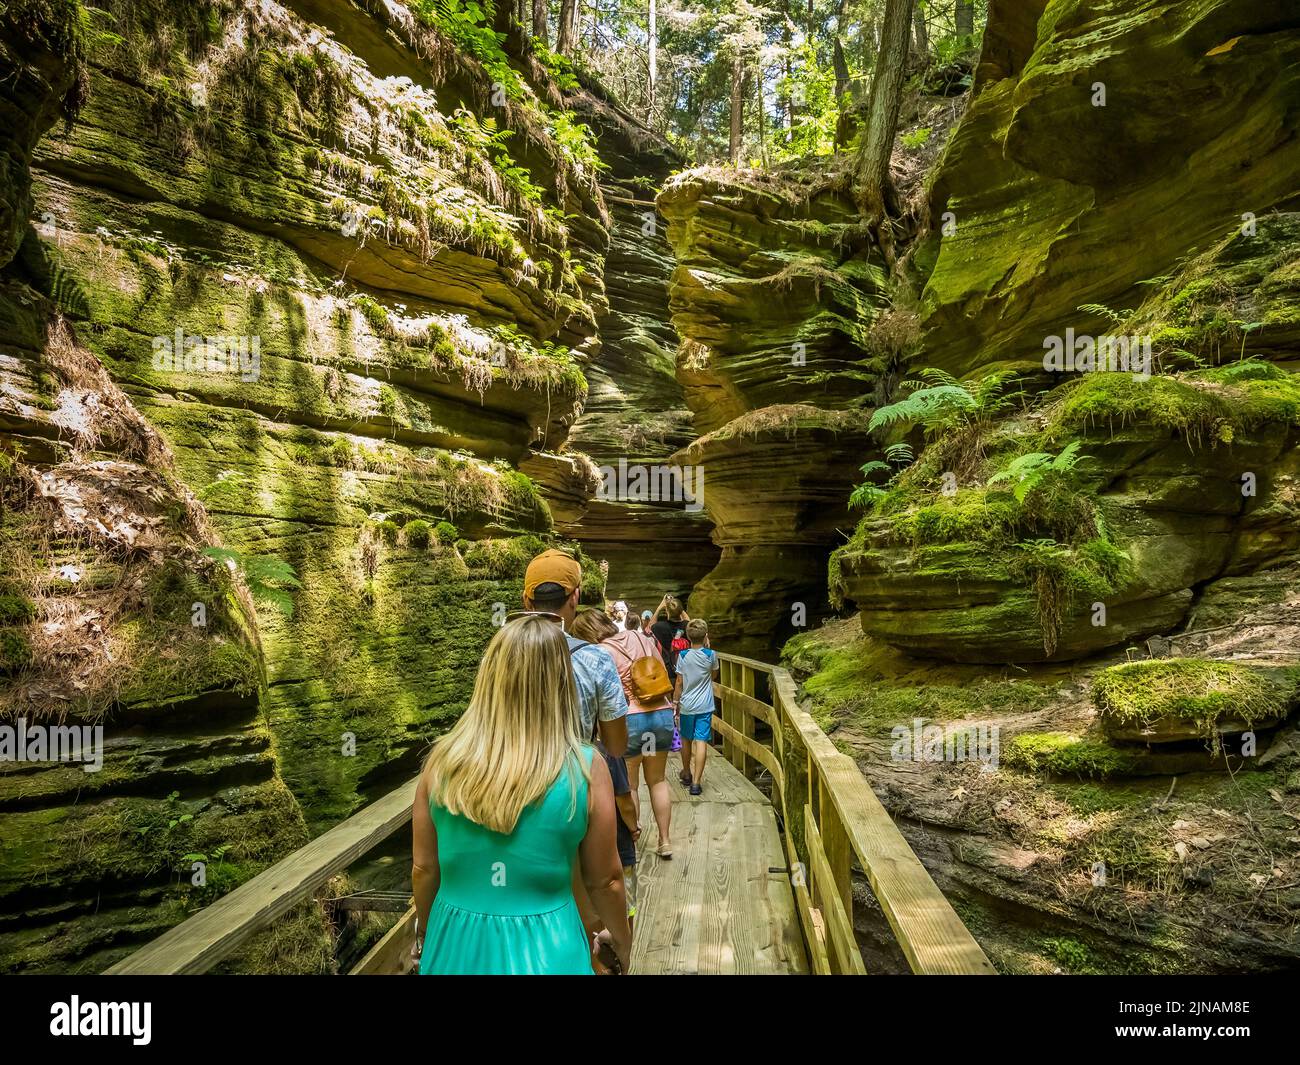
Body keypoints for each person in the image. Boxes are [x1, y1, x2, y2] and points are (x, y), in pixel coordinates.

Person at [411, 616, 631, 974]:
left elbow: (424, 869)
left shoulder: (441, 763)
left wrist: (426, 930)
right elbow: (605, 879)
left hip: (455, 943)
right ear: (560, 682)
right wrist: (621, 940)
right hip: (549, 946)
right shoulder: (585, 768)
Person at [522, 551, 629, 961]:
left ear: (526, 600)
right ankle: (598, 948)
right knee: (593, 880)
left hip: (506, 791)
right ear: (576, 597)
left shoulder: (500, 655)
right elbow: (617, 746)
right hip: (575, 788)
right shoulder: (595, 658)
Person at [600, 616, 677, 859]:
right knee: (658, 781)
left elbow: (609, 692)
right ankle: (665, 841)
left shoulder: (603, 650)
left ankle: (633, 839)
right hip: (661, 713)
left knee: (630, 785)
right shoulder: (643, 638)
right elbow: (663, 672)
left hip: (632, 718)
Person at [674, 619, 719, 796]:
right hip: (705, 705)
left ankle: (686, 773)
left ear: (688, 637)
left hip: (687, 705)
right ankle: (696, 783)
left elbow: (679, 681)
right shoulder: (711, 654)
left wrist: (675, 702)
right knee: (701, 741)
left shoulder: (683, 656)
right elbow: (713, 675)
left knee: (686, 739)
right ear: (706, 636)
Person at [651, 595, 689, 679]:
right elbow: (688, 621)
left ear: (667, 612)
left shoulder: (660, 627)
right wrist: (679, 608)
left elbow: (651, 626)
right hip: (686, 666)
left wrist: (660, 607)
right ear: (680, 610)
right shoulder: (686, 626)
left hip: (669, 668)